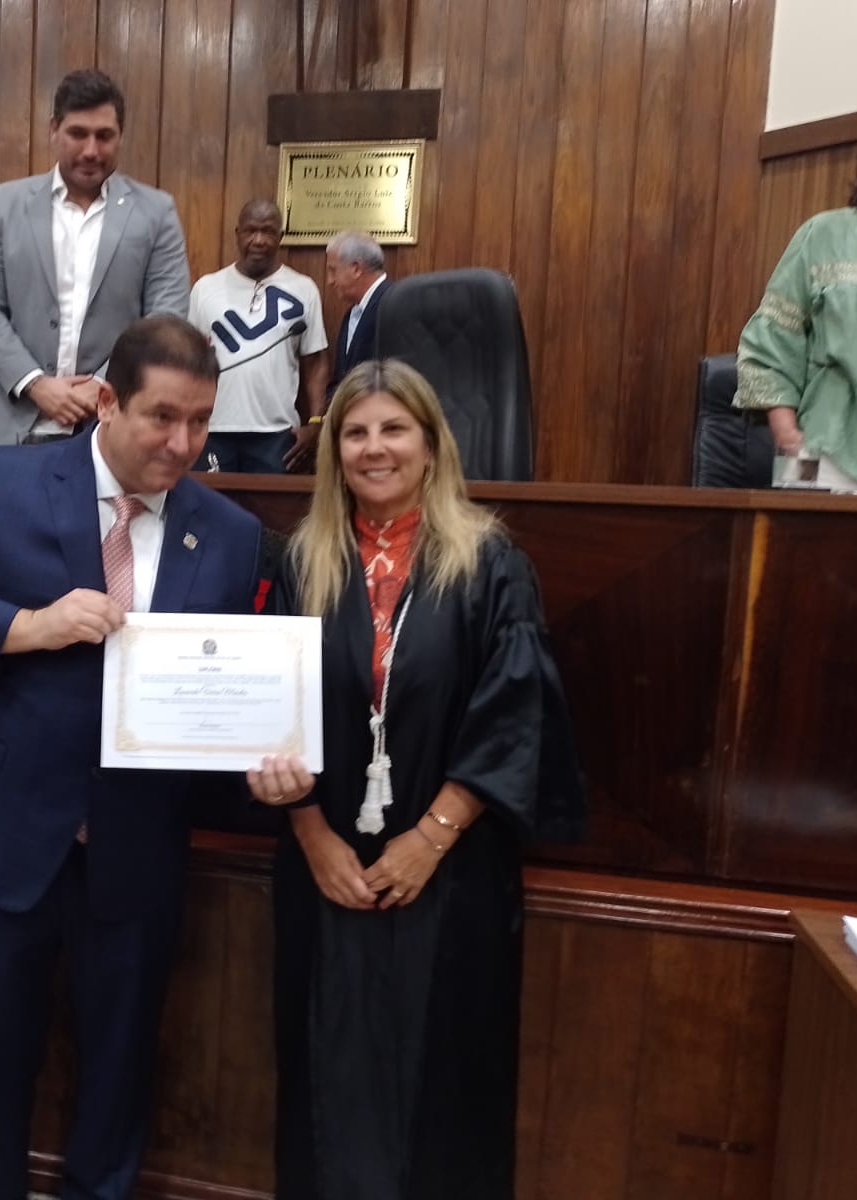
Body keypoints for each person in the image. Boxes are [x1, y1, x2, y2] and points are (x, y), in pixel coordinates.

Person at [0, 316, 262, 1200]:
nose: (183, 444)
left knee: (119, 1073)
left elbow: (230, 688)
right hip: (9, 835)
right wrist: (26, 627)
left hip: (139, 848)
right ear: (108, 401)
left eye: (200, 421)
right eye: (162, 417)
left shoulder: (230, 532)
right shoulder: (3, 482)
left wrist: (267, 759)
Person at [251, 359, 583, 1200]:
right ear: (334, 452)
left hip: (453, 872)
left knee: (447, 1079)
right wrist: (313, 836)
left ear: (432, 445)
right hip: (327, 866)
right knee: (328, 1070)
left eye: (394, 429)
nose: (374, 448)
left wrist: (430, 840)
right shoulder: (302, 563)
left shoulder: (491, 563)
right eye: (355, 432)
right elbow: (272, 714)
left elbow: (515, 711)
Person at [0, 68, 190, 446]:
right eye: (77, 133)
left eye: (104, 136)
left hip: (112, 427)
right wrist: (36, 384)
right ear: (54, 129)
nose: (90, 150)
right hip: (19, 426)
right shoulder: (3, 205)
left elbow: (166, 316)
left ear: (120, 136)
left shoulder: (156, 213)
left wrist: (102, 384)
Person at [737, 79, 857, 490]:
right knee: (800, 534)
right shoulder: (824, 236)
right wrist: (790, 440)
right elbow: (768, 348)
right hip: (824, 465)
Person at [190, 199, 328, 473]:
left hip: (276, 435)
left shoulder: (303, 289)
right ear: (237, 233)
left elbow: (316, 361)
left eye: (268, 232)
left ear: (280, 237)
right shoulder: (206, 288)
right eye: (251, 230)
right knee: (208, 501)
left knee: (271, 502)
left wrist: (315, 423)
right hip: (214, 429)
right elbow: (190, 360)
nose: (259, 240)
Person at [324, 231, 389, 395]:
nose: (330, 281)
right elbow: (343, 378)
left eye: (333, 271)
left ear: (356, 269)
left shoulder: (392, 305)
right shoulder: (351, 315)